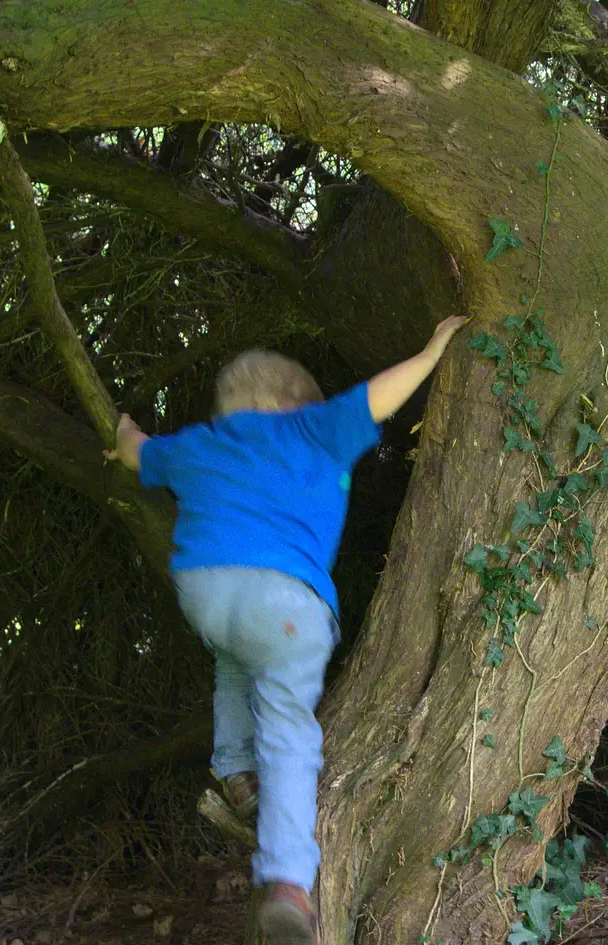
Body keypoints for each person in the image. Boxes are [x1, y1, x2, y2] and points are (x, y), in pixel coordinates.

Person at [104, 316, 467, 944]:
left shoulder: (203, 443)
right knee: (290, 732)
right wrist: (432, 351)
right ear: (298, 402)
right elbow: (382, 393)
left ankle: (237, 771)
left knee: (235, 657)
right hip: (287, 600)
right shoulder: (314, 429)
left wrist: (121, 429)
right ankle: (290, 883)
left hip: (206, 589)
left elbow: (139, 451)